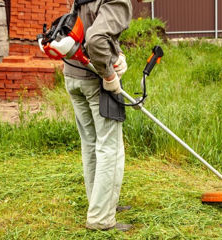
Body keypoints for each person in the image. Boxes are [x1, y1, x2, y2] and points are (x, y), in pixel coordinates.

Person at [63, 0, 133, 231]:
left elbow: (87, 30)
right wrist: (110, 74)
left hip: (73, 77)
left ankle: (101, 203)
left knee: (91, 144)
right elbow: (94, 39)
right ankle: (101, 218)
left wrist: (118, 53)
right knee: (109, 148)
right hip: (95, 80)